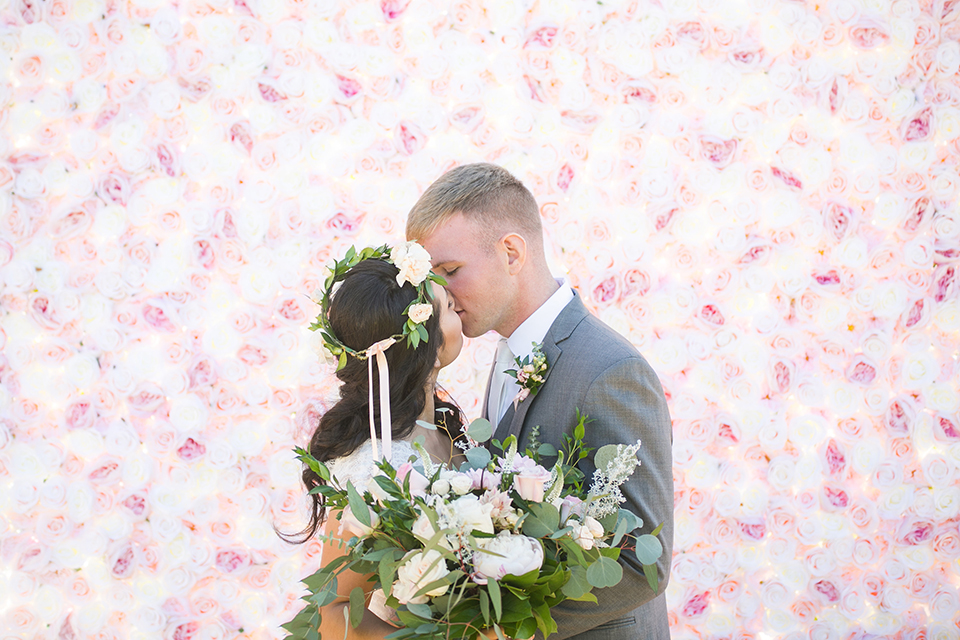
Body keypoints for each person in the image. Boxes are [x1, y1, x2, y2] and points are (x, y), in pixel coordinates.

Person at [407, 163, 674, 640]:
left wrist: (496, 630)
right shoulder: (504, 352)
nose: (438, 295)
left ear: (511, 252)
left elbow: (641, 563)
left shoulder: (611, 372)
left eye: (450, 271)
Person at [283, 253, 465, 638]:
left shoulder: (446, 428)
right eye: (449, 306)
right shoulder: (375, 467)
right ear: (429, 350)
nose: (460, 307)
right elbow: (332, 613)